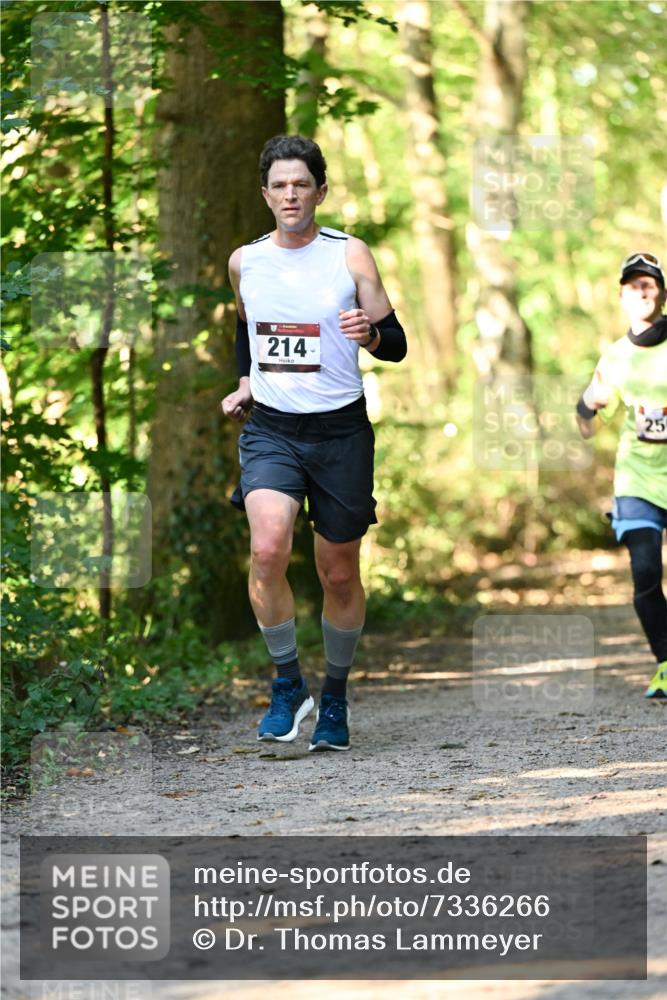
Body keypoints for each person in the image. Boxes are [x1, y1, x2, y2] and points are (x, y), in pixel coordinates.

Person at [221, 135, 407, 749]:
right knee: (267, 549)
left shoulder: (349, 255)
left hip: (340, 432)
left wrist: (370, 336)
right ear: (265, 194)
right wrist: (246, 381)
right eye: (280, 185)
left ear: (320, 192)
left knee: (339, 574)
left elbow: (396, 342)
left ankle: (335, 698)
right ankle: (286, 684)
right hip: (273, 429)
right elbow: (247, 329)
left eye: (301, 184)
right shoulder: (245, 262)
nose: (291, 194)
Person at [576, 251, 667, 698]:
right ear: (622, 296)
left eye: (649, 283)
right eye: (633, 284)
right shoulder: (614, 357)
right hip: (637, 480)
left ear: (662, 293)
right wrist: (586, 406)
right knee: (645, 574)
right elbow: (587, 427)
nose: (642, 290)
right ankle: (666, 663)